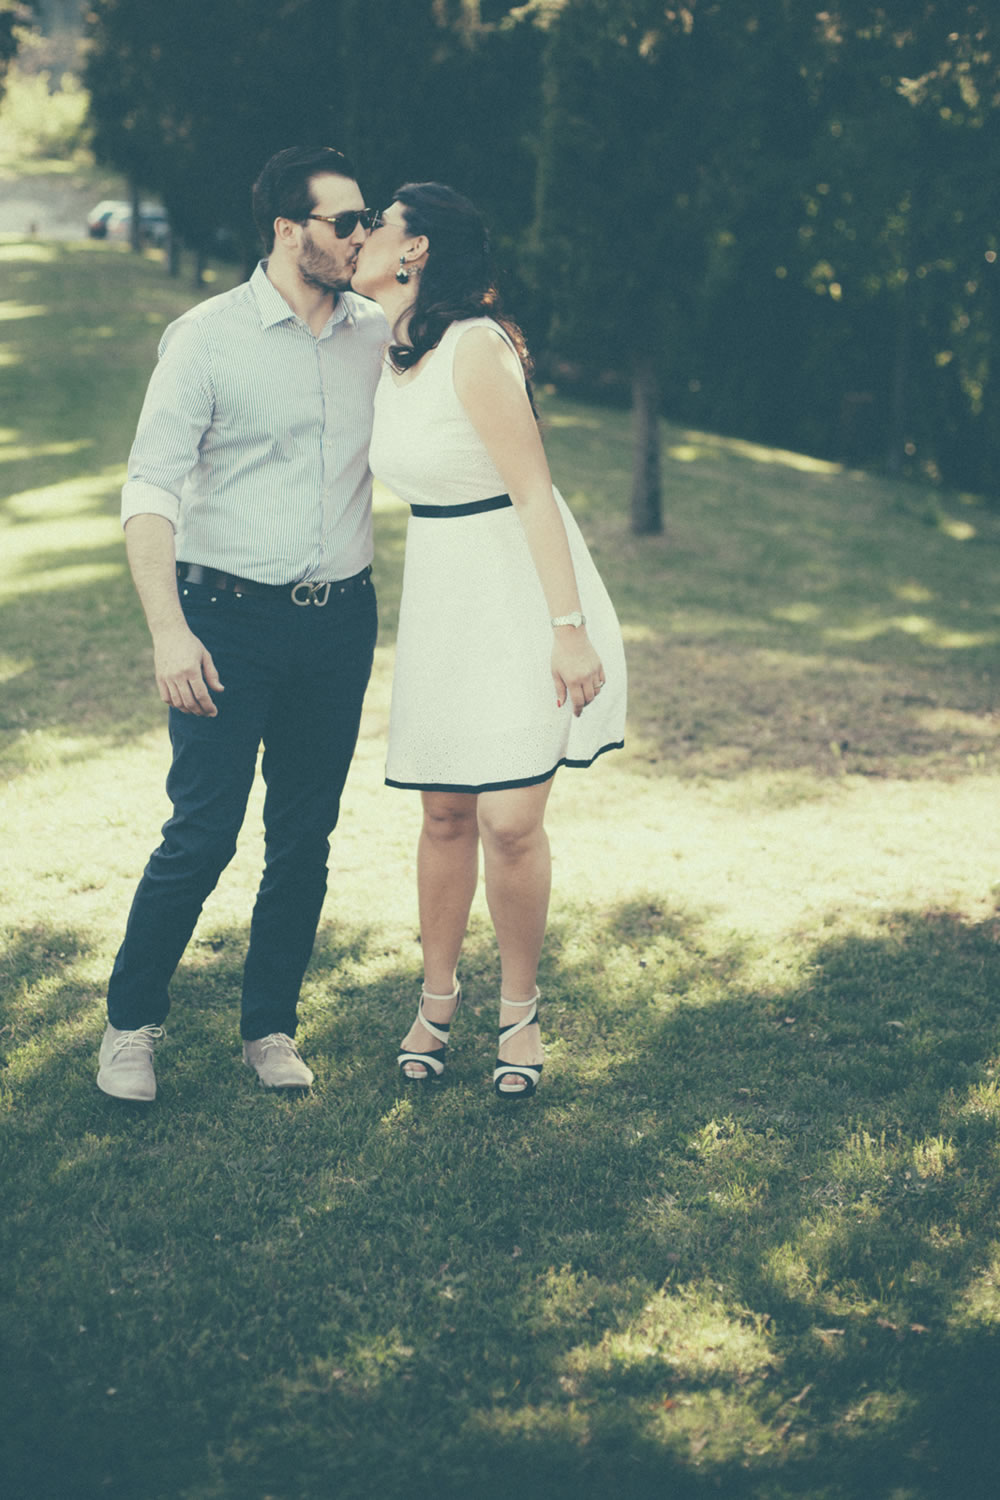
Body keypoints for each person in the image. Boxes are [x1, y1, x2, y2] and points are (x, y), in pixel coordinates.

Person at [96, 146, 388, 1102]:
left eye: (364, 220)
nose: (360, 237)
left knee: (304, 838)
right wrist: (168, 630)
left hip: (340, 623)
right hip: (225, 621)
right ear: (287, 230)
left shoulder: (377, 337)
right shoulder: (206, 337)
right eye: (344, 223)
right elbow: (150, 488)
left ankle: (270, 1028)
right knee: (203, 834)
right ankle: (131, 1026)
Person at [351, 183, 627, 1099]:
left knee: (510, 821)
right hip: (442, 591)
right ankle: (435, 1002)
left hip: (520, 590)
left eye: (375, 224)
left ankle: (520, 1012)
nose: (360, 236)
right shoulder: (383, 345)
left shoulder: (475, 348)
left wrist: (569, 632)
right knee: (443, 814)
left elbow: (535, 492)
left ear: (415, 248)